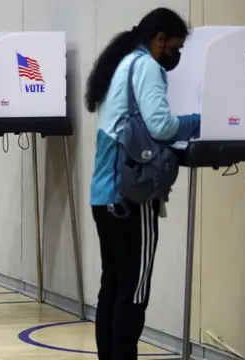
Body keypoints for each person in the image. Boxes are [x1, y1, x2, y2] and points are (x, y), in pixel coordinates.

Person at [84, 8, 200, 360]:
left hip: (103, 194)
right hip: (131, 195)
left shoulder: (122, 64)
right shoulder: (147, 66)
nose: (175, 56)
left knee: (113, 287)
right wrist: (201, 120)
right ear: (160, 39)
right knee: (134, 291)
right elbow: (161, 126)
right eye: (174, 48)